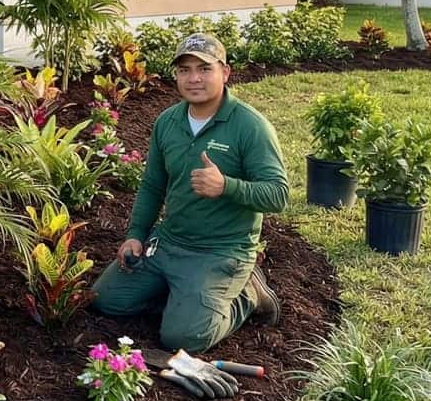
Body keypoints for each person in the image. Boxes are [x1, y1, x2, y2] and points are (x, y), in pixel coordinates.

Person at [91, 32, 288, 353]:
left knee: (182, 339)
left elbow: (278, 194)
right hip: (168, 243)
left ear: (225, 72)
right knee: (105, 301)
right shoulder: (168, 122)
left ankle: (248, 295)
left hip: (220, 251)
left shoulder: (249, 126)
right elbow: (153, 185)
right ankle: (184, 301)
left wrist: (226, 185)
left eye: (204, 68)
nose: (193, 78)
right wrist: (136, 234)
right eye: (184, 70)